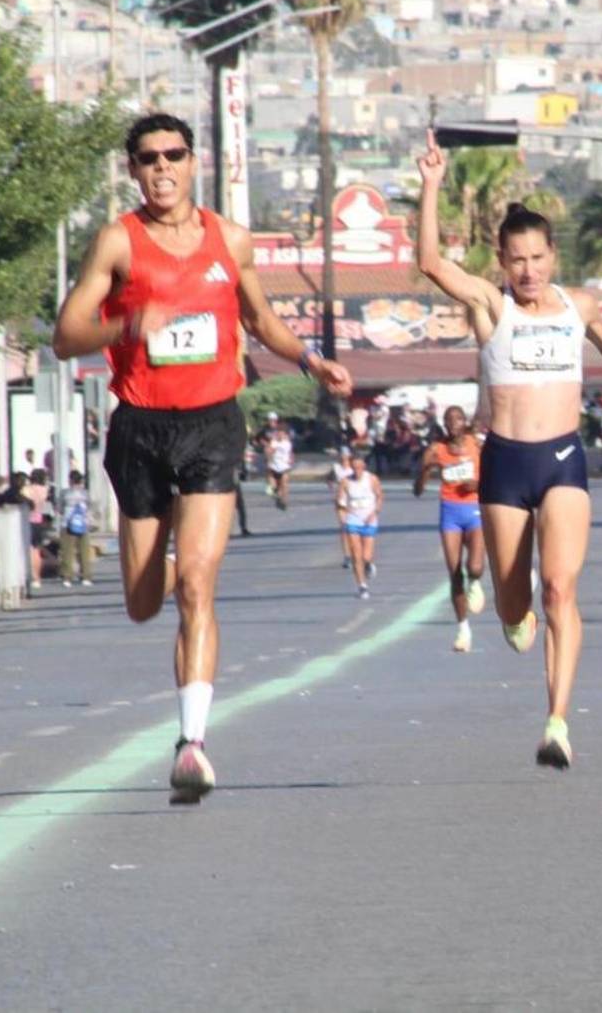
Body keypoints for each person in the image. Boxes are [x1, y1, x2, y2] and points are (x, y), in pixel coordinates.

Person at [52, 112, 353, 804]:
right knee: (142, 602)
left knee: (196, 584)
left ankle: (192, 742)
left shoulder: (230, 239)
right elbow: (67, 335)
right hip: (141, 428)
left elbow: (260, 319)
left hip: (212, 422)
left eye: (174, 155)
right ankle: (161, 561)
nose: (162, 167)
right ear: (133, 169)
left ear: (194, 162)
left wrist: (310, 360)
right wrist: (128, 322)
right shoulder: (117, 243)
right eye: (149, 158)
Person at [417, 130, 602, 769]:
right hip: (504, 463)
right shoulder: (490, 305)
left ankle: (557, 721)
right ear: (502, 263)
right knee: (515, 605)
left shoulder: (577, 304)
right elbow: (431, 264)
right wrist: (432, 186)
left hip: (562, 459)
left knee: (559, 588)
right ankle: (513, 614)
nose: (528, 271)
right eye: (516, 260)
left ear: (553, 255)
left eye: (537, 257)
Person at [414, 405, 487, 651]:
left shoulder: (477, 444)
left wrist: (477, 484)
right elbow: (418, 490)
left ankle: (475, 582)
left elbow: (496, 476)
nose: (454, 423)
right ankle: (463, 629)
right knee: (455, 572)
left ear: (464, 422)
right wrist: (425, 471)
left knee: (474, 566)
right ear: (444, 424)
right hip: (450, 512)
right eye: (449, 420)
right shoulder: (437, 449)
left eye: (458, 419)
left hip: (474, 509)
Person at [337, 449, 383, 599]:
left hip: (369, 518)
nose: (357, 470)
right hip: (353, 519)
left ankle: (369, 564)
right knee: (356, 555)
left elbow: (379, 496)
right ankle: (362, 586)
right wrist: (343, 518)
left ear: (364, 466)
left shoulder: (372, 479)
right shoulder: (345, 482)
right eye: (354, 467)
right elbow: (340, 503)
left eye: (359, 467)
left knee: (365, 556)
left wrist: (374, 513)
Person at [58, 469, 94, 588]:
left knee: (67, 552)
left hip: (67, 524)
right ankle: (86, 576)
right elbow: (90, 507)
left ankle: (67, 577)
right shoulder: (85, 494)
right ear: (81, 481)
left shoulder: (65, 493)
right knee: (84, 552)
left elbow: (60, 508)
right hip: (83, 524)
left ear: (70, 480)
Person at [262, 413, 294, 511]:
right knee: (273, 488)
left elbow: (290, 453)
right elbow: (268, 451)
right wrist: (268, 459)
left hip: (284, 467)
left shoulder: (287, 443)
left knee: (284, 484)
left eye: (282, 433)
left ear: (285, 434)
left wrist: (291, 459)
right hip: (274, 467)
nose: (280, 434)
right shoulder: (274, 442)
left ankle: (284, 502)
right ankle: (277, 496)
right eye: (278, 432)